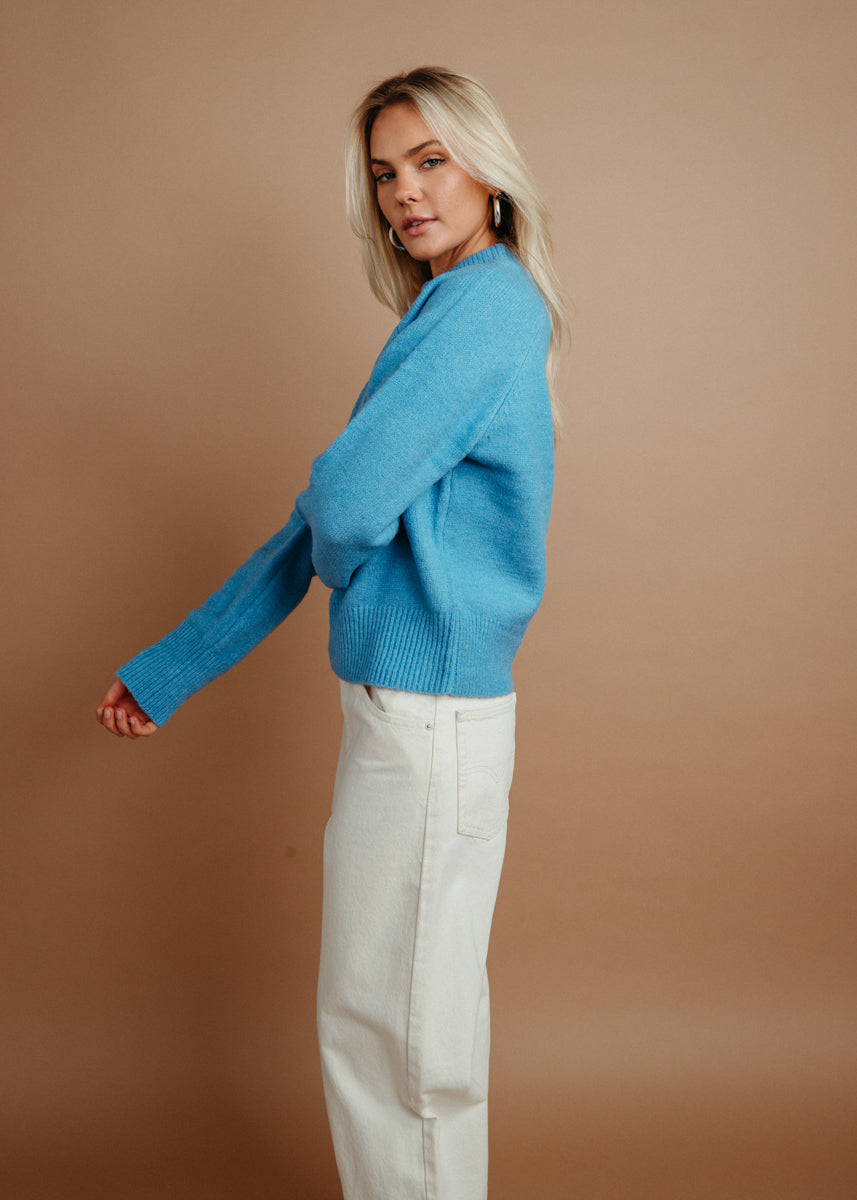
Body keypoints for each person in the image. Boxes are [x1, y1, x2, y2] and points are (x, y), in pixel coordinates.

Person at [96, 66, 566, 1200]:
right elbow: (323, 519)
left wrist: (347, 560)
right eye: (385, 172)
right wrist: (177, 666)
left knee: (398, 1031)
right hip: (416, 713)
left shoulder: (484, 308)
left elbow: (342, 512)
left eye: (431, 161)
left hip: (426, 719)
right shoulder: (452, 310)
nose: (406, 192)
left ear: (489, 173)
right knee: (401, 1018)